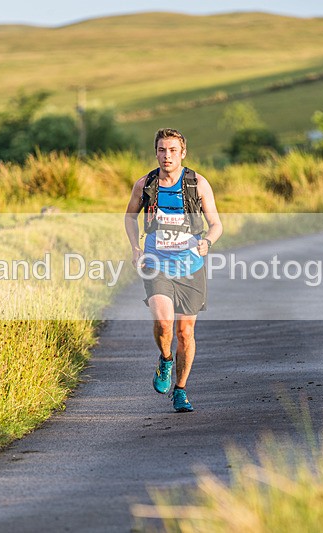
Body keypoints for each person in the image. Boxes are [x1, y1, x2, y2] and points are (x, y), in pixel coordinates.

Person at [124, 128, 223, 412]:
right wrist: (135, 248)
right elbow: (130, 216)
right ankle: (165, 359)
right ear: (156, 152)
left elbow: (216, 224)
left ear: (182, 153)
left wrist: (207, 241)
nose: (167, 156)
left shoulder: (197, 184)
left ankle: (180, 389)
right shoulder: (145, 184)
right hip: (156, 262)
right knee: (164, 323)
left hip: (191, 265)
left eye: (172, 150)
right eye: (161, 150)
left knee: (185, 332)